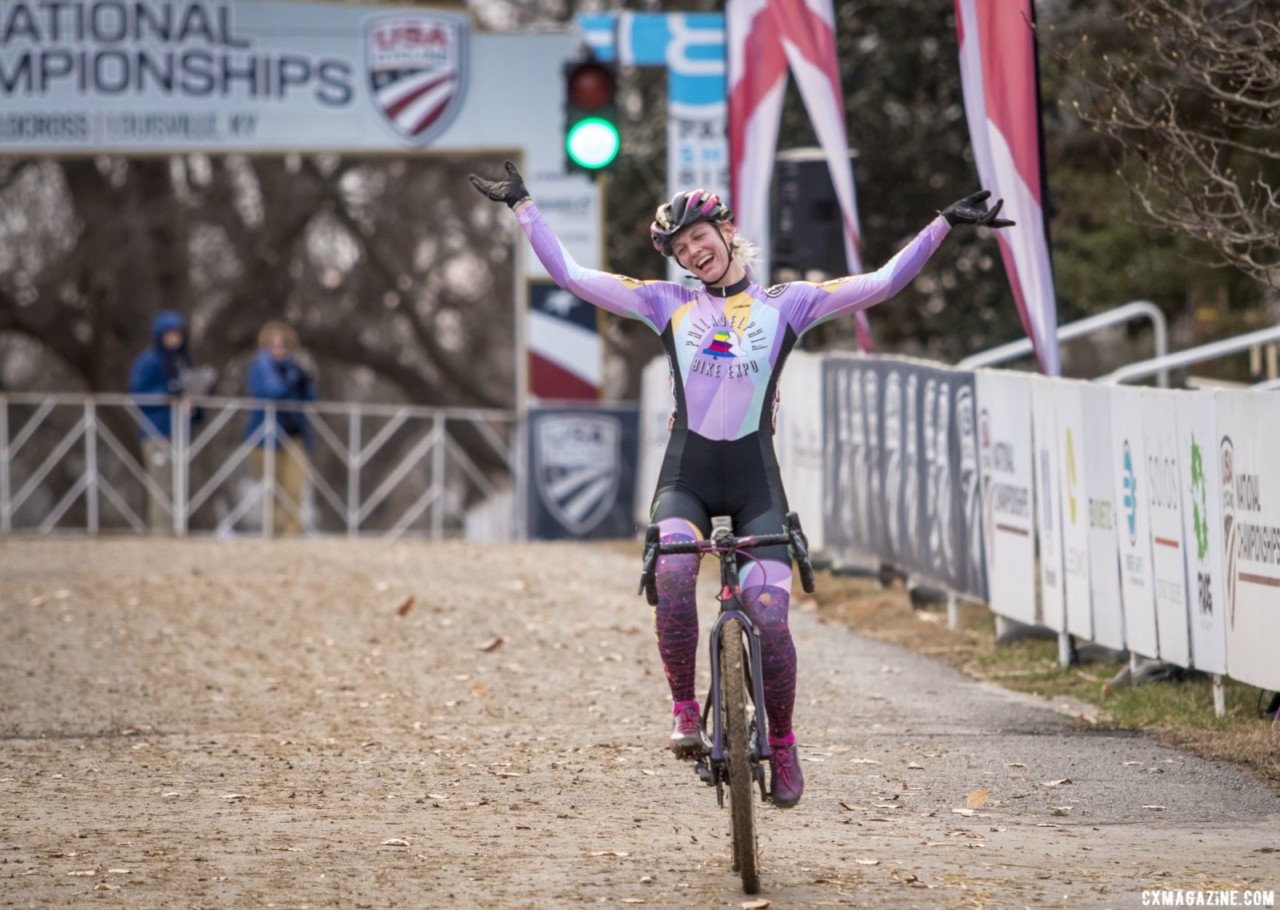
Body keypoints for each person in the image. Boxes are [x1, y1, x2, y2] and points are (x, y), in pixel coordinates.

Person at [469, 161, 1013, 809]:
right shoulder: (664, 304)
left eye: (699, 236)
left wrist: (944, 222)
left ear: (726, 229)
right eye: (679, 248)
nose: (693, 252)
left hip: (756, 482)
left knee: (770, 618)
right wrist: (525, 206)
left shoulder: (789, 305)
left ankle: (781, 741)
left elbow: (881, 283)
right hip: (687, 476)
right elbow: (572, 277)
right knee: (673, 577)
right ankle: (682, 712)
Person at [127, 310, 215, 533]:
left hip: (181, 430)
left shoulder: (183, 362)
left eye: (178, 334)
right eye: (169, 334)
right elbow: (138, 395)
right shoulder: (148, 360)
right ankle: (160, 531)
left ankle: (178, 529)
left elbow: (186, 390)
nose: (174, 339)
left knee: (179, 485)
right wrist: (169, 391)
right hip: (156, 430)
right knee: (161, 485)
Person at [245, 320, 317, 536]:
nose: (279, 350)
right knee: (271, 487)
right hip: (264, 436)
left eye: (284, 346)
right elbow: (270, 392)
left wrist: (307, 381)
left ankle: (293, 532)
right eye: (274, 346)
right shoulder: (260, 366)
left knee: (294, 487)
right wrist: (292, 380)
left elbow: (311, 397)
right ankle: (272, 531)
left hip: (294, 434)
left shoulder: (297, 367)